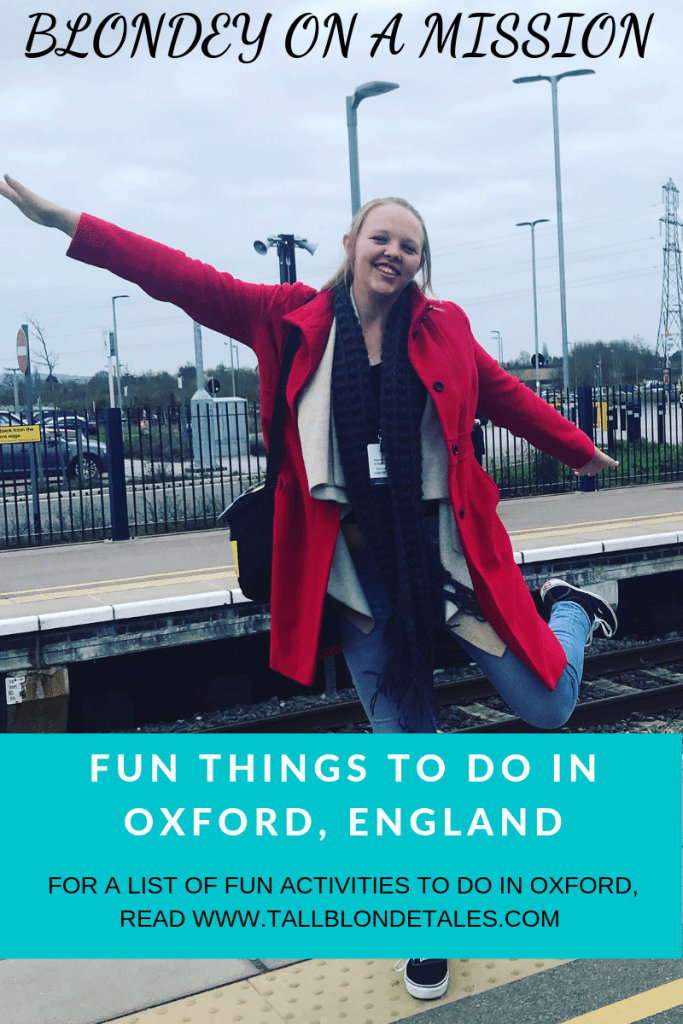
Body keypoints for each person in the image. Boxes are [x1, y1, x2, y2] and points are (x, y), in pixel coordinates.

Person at [0, 179, 617, 1000]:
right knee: (409, 761)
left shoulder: (444, 328)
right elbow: (178, 277)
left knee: (547, 706)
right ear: (352, 243)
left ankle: (571, 607)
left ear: (419, 262)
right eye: (381, 238)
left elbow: (503, 396)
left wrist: (579, 450)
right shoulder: (286, 319)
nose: (393, 252)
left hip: (447, 566)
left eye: (409, 245)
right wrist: (63, 222)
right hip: (357, 580)